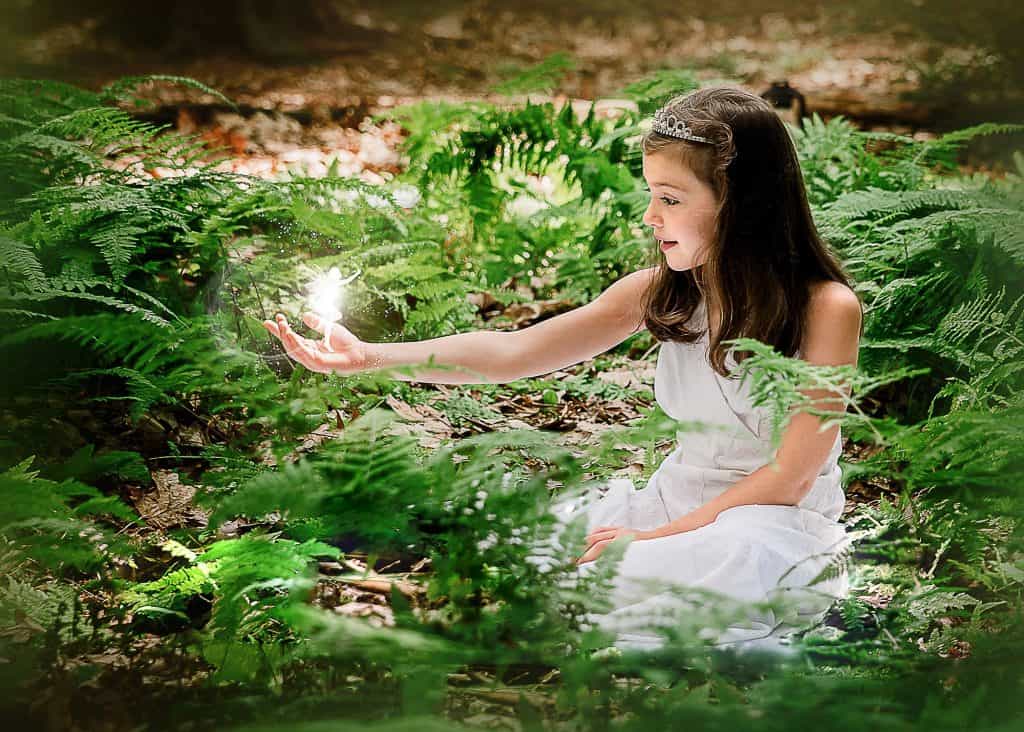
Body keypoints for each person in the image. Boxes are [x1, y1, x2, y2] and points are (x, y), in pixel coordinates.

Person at [263, 86, 863, 653]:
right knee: (526, 549)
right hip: (668, 504)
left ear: (741, 206)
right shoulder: (665, 291)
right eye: (651, 194)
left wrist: (655, 541)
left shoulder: (825, 310)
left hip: (766, 529)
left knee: (671, 575)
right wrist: (368, 357)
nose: (650, 217)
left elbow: (790, 476)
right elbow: (515, 352)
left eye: (672, 199)